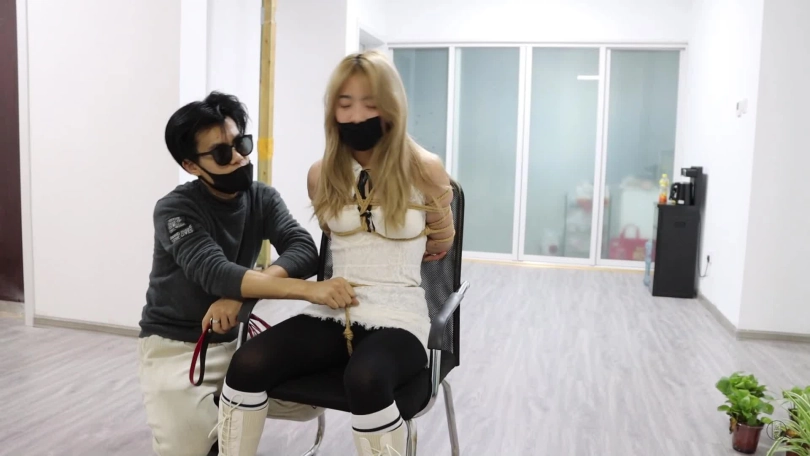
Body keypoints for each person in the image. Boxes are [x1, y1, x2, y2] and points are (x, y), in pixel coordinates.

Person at [214, 51, 455, 456]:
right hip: (333, 310)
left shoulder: (426, 170)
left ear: (392, 106)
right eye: (345, 104)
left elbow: (441, 242)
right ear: (333, 111)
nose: (357, 115)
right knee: (246, 364)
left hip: (400, 315)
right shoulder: (321, 174)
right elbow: (336, 239)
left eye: (371, 103)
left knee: (366, 379)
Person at [137, 91, 360, 456]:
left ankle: (219, 413)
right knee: (188, 449)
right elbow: (215, 272)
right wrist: (309, 291)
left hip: (234, 343)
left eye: (241, 143)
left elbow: (303, 248)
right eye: (222, 153)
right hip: (175, 349)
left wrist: (239, 298)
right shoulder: (174, 210)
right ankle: (203, 420)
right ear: (191, 166)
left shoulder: (261, 197)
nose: (240, 157)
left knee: (309, 402)